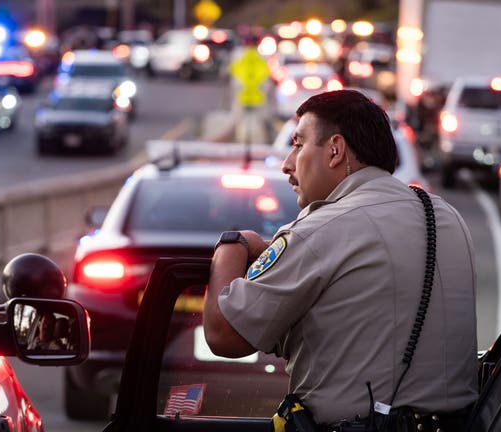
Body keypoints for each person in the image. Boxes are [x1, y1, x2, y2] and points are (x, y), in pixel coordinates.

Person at [203, 90, 477, 429]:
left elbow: (223, 334)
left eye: (298, 144)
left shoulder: (321, 230)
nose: (287, 163)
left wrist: (233, 244)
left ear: (335, 150)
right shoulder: (446, 217)